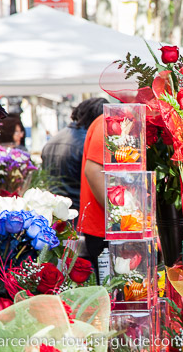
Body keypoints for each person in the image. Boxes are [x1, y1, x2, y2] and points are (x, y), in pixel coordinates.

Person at [41, 97, 107, 211]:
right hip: (78, 209)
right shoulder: (88, 141)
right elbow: (94, 175)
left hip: (54, 209)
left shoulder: (54, 139)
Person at [78, 113, 108, 281]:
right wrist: (117, 217)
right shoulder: (107, 122)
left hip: (105, 226)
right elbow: (93, 170)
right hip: (104, 228)